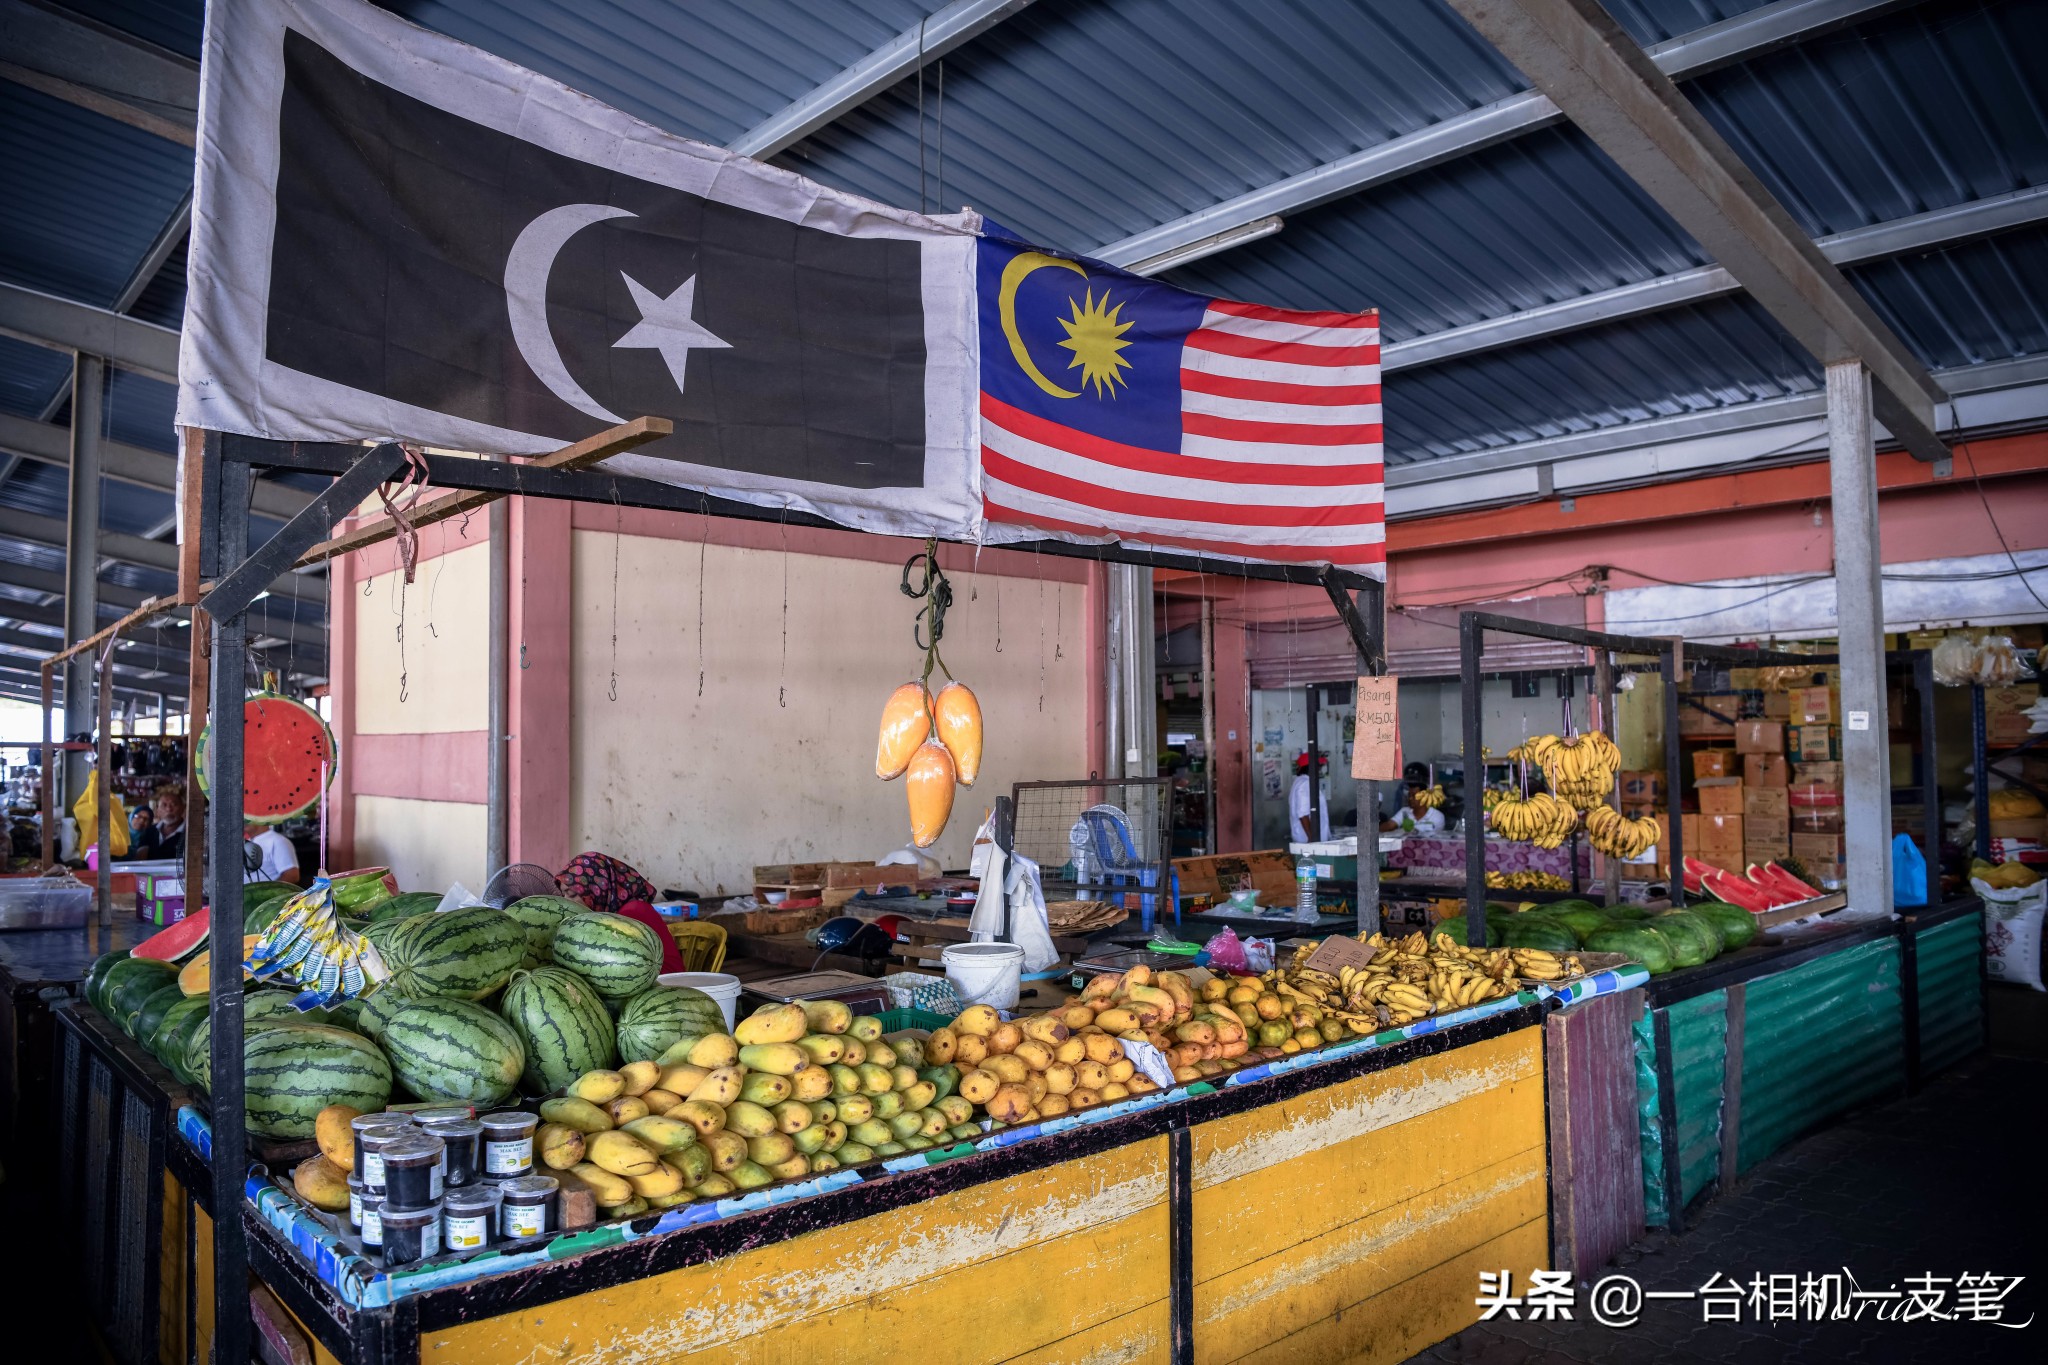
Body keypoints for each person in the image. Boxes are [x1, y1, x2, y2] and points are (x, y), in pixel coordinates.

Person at [1289, 752, 1332, 843]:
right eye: (1318, 766)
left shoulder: (1301, 782)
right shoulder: (1305, 784)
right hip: (1308, 840)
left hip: (1309, 839)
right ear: (1310, 767)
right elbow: (1303, 814)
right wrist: (1311, 837)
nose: (1320, 769)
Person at [1382, 783, 1447, 835]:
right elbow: (1390, 825)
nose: (1410, 798)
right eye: (1409, 795)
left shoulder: (1437, 816)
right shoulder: (1404, 811)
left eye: (1414, 795)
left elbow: (1434, 840)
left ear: (1424, 797)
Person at [149, 782, 187, 862]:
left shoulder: (191, 834)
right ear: (157, 809)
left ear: (183, 808)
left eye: (173, 805)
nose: (169, 809)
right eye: (164, 805)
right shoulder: (149, 832)